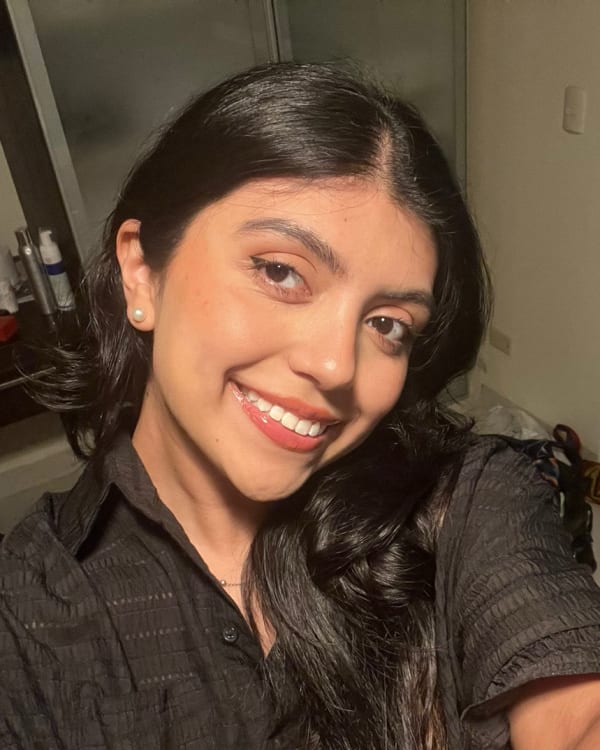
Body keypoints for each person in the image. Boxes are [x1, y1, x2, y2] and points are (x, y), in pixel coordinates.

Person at [1, 62, 600, 750]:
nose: (337, 366)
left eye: (387, 324)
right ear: (141, 272)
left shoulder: (466, 500)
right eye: (281, 271)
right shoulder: (25, 617)